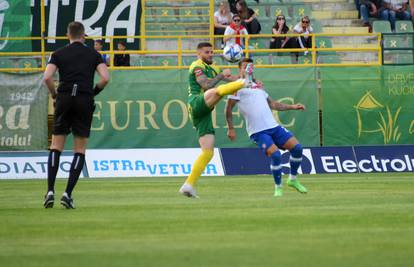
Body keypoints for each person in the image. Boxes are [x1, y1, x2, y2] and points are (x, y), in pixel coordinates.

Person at [43, 21, 109, 209]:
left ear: (68, 35)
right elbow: (105, 78)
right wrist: (93, 92)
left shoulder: (58, 53)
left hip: (64, 97)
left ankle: (49, 191)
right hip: (83, 98)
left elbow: (47, 77)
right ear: (84, 35)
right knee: (79, 149)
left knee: (56, 146)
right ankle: (67, 194)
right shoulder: (94, 54)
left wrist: (55, 95)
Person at [225, 58, 307, 197]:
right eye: (244, 67)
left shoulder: (258, 86)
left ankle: (292, 180)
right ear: (239, 69)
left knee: (298, 149)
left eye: (250, 67)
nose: (247, 69)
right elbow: (228, 109)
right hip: (257, 131)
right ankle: (278, 188)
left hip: (273, 127)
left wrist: (293, 106)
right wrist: (231, 128)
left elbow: (274, 104)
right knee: (275, 155)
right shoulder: (235, 87)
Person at [179, 42, 249, 198]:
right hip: (196, 103)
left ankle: (188, 185)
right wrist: (222, 76)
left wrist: (245, 76)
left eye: (211, 51)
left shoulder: (215, 68)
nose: (210, 54)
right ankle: (188, 185)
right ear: (199, 54)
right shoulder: (197, 66)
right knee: (216, 91)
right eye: (206, 52)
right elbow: (206, 84)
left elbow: (233, 80)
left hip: (204, 112)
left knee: (208, 152)